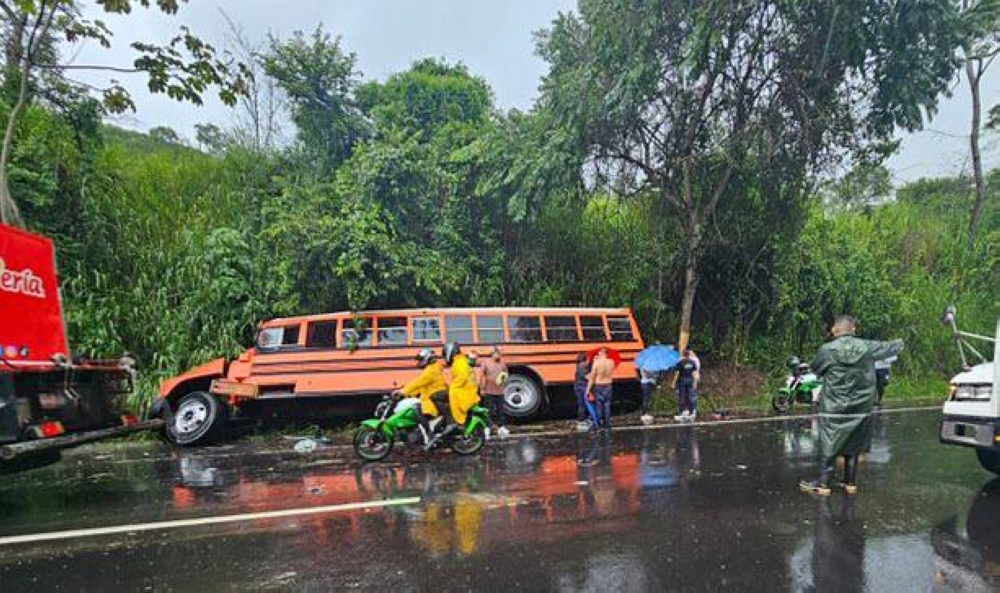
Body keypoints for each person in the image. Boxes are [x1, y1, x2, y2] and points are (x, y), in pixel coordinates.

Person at [800, 315, 904, 496]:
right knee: (854, 442)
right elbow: (894, 346)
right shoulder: (868, 347)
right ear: (853, 329)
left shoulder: (827, 350)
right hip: (862, 406)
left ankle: (823, 485)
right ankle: (850, 483)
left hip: (834, 406)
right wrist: (901, 340)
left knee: (830, 444)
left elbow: (816, 370)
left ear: (834, 330)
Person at [396, 348, 448, 448]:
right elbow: (422, 386)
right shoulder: (431, 368)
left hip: (435, 399)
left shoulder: (432, 370)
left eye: (421, 359)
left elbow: (419, 382)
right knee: (415, 408)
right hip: (430, 398)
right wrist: (409, 394)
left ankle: (430, 436)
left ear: (427, 358)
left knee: (416, 410)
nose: (419, 362)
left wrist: (403, 391)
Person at [440, 342, 480, 443]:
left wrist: (451, 387)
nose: (445, 358)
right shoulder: (460, 361)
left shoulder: (460, 362)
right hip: (468, 391)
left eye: (445, 354)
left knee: (446, 401)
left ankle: (453, 424)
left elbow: (461, 378)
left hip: (466, 394)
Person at [478, 346, 510, 439]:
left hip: (500, 392)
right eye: (498, 353)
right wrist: (482, 388)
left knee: (501, 411)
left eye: (500, 354)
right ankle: (487, 428)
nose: (499, 355)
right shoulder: (486, 362)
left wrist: (503, 383)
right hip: (488, 391)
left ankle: (501, 427)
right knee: (488, 411)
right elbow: (482, 375)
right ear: (493, 353)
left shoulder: (502, 364)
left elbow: (506, 375)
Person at [586, 347, 615, 431]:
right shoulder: (611, 362)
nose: (598, 354)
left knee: (599, 405)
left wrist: (588, 389)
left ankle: (598, 424)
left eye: (598, 353)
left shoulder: (597, 363)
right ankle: (607, 424)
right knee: (607, 405)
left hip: (599, 385)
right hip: (608, 384)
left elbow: (592, 377)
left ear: (602, 353)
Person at [673, 349, 699, 422]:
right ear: (688, 355)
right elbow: (695, 373)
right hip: (690, 380)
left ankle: (682, 412)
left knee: (682, 396)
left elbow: (677, 374)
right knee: (691, 396)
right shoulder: (693, 362)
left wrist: (674, 382)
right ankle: (692, 411)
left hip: (682, 381)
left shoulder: (680, 363)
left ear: (683, 355)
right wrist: (695, 383)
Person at [574, 353, 592, 431]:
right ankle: (582, 420)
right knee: (583, 405)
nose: (588, 361)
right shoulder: (580, 367)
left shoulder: (581, 366)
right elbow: (587, 377)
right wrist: (593, 374)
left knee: (582, 404)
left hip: (579, 387)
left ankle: (583, 420)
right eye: (587, 359)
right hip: (581, 388)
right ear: (583, 360)